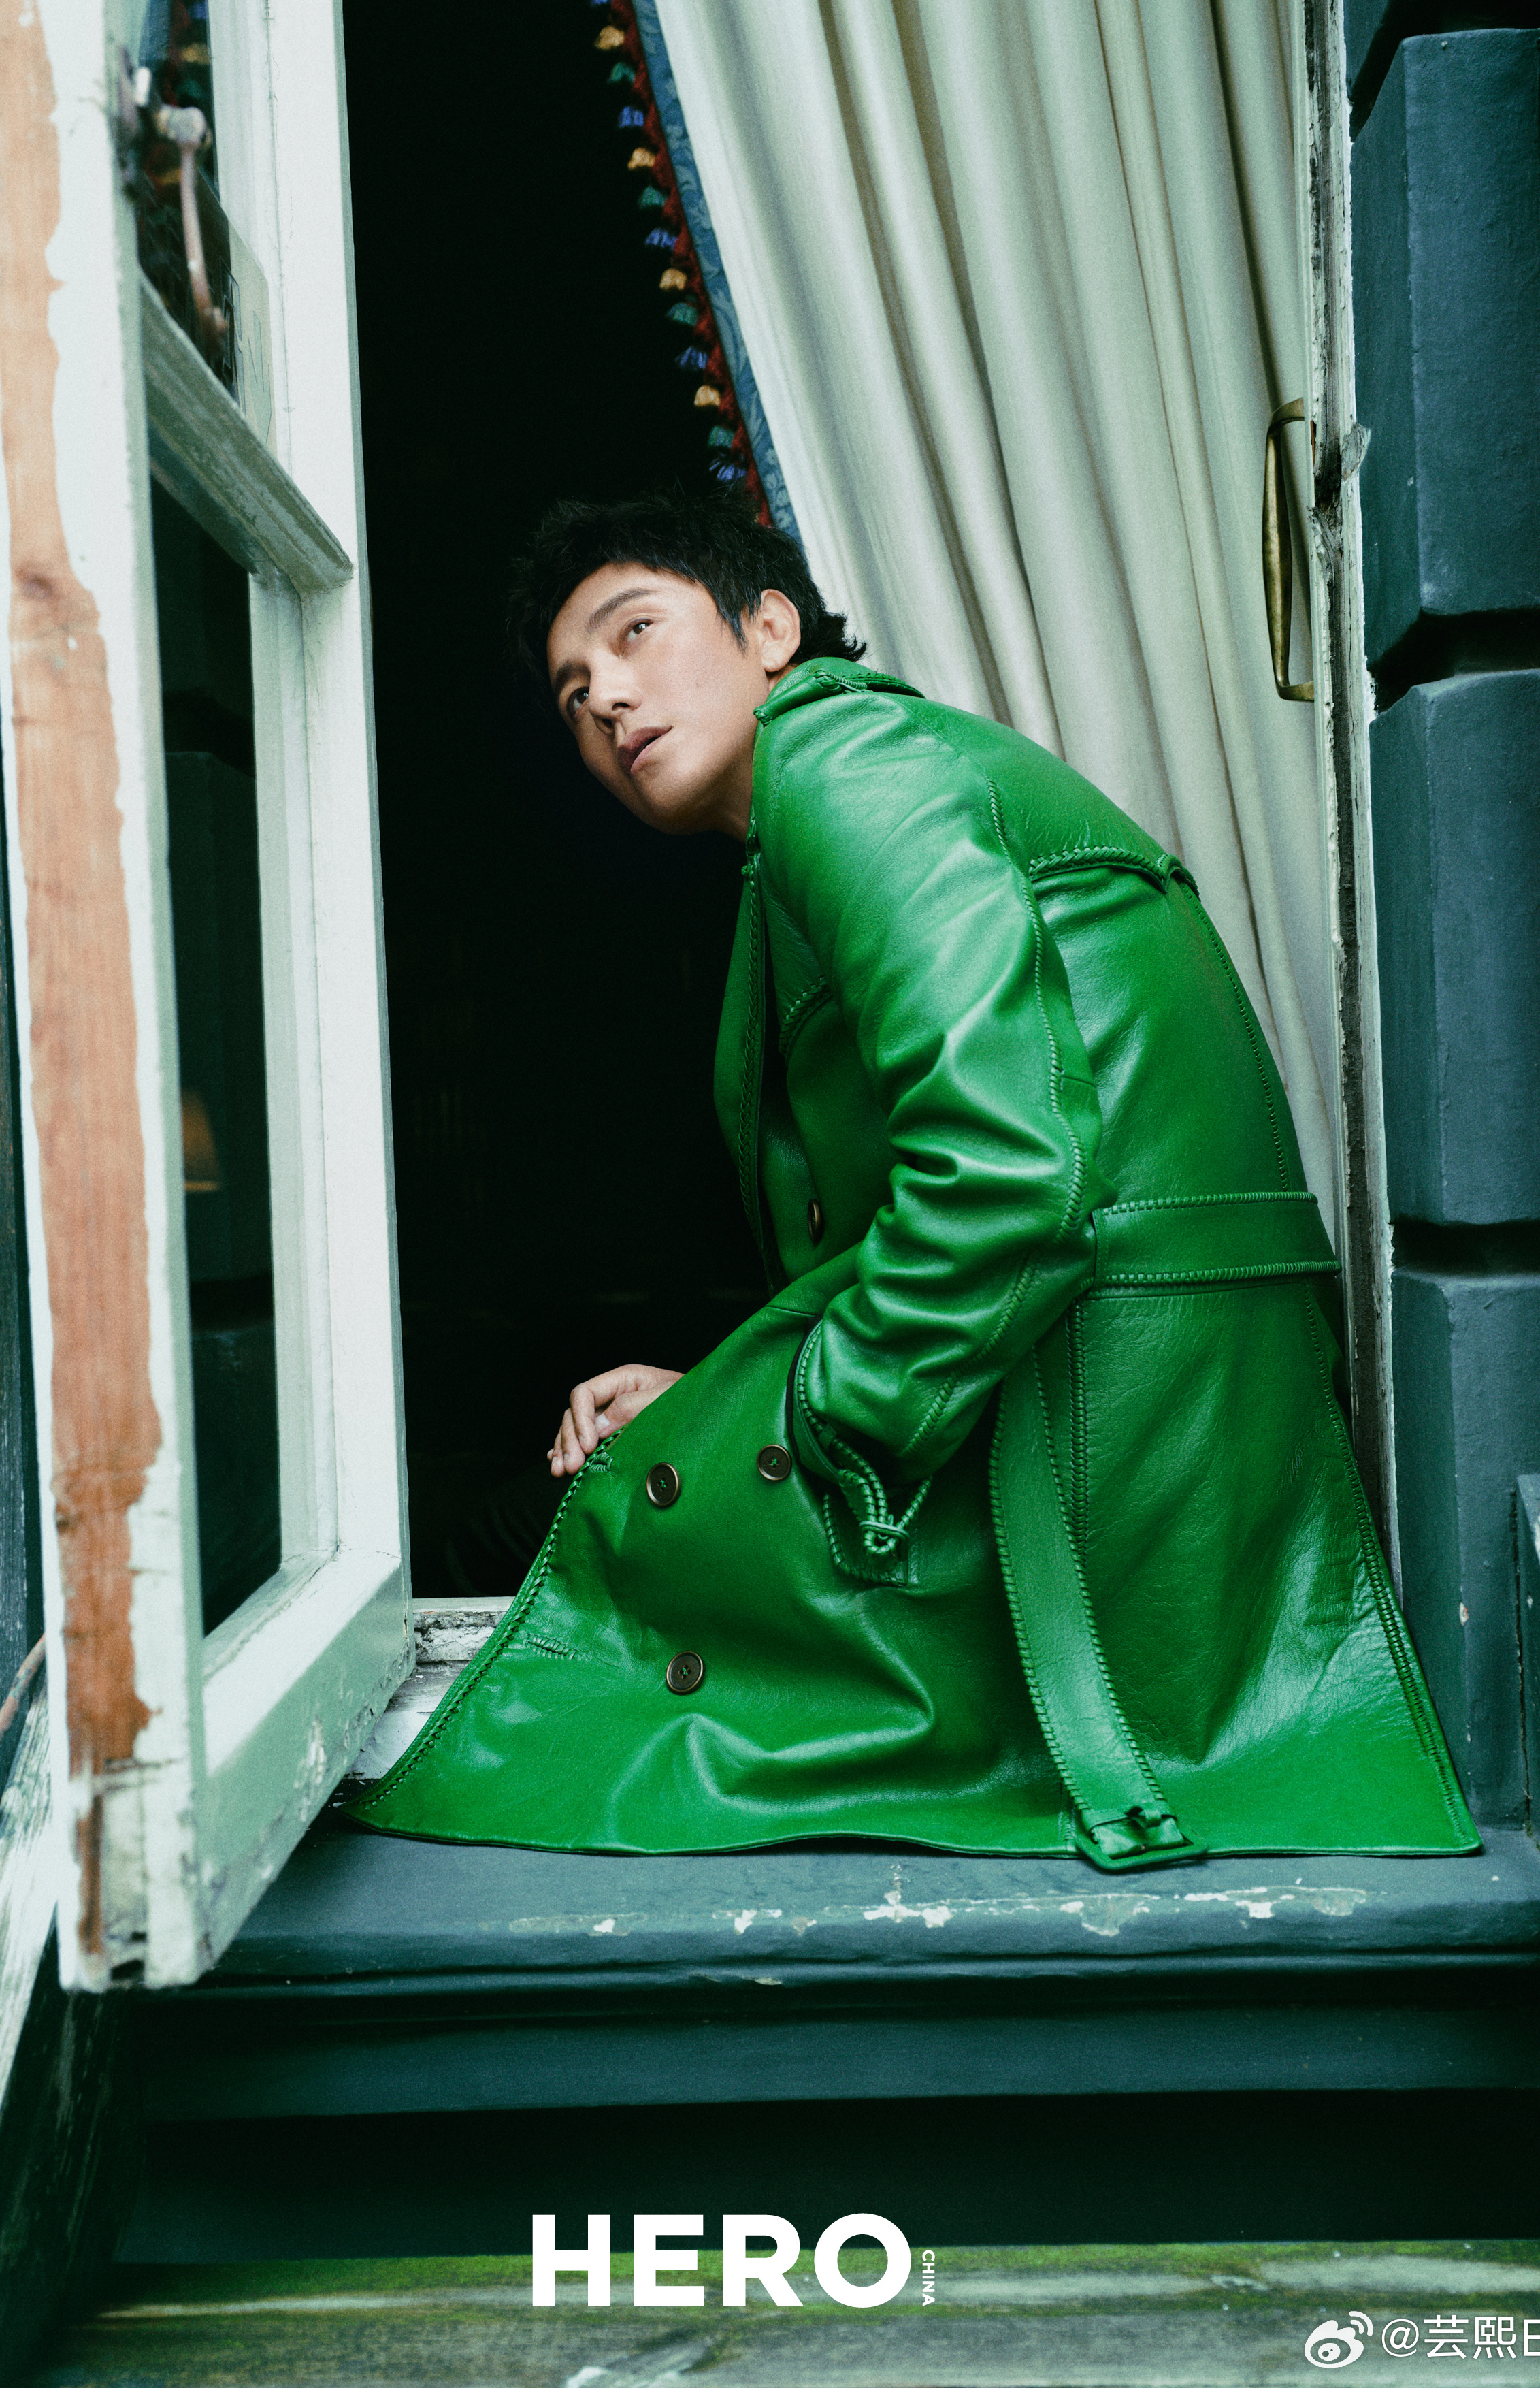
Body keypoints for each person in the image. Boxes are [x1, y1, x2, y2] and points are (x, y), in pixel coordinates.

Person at [351, 491, 1475, 1871]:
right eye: (575, 695)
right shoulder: (812, 827)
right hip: (1109, 1394)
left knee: (555, 1580)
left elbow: (1006, 1177)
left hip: (1102, 1423)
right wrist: (722, 1396)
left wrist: (820, 1416)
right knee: (580, 1523)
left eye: (634, 633)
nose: (609, 701)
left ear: (771, 630)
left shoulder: (843, 759)